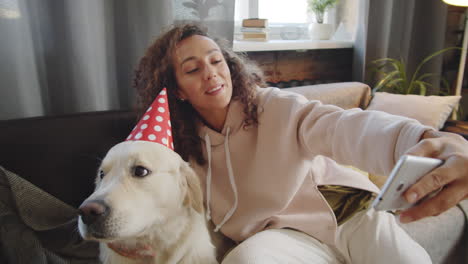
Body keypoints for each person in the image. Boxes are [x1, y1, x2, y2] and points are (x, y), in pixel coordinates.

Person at [122, 23, 468, 263]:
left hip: (347, 214)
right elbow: (156, 202)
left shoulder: (273, 106)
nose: (211, 72)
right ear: (177, 89)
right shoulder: (178, 150)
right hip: (280, 238)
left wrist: (428, 138)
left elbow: (345, 128)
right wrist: (135, 235)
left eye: (216, 60)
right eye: (192, 68)